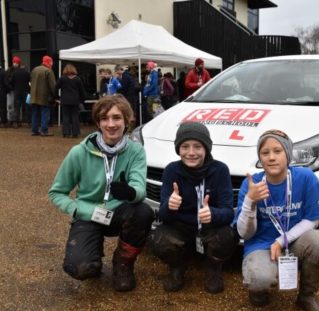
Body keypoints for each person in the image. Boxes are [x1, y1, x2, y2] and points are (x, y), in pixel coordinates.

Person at [48, 95, 154, 292]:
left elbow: (140, 191)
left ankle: (123, 263)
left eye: (117, 118)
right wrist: (76, 209)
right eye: (104, 118)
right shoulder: (79, 152)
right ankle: (92, 252)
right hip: (88, 214)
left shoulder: (136, 151)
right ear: (98, 122)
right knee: (80, 268)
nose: (111, 124)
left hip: (118, 212)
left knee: (143, 212)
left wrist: (130, 193)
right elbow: (57, 192)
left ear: (127, 120)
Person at [235, 129, 319, 311]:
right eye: (265, 153)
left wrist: (282, 241)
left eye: (277, 151)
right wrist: (250, 201)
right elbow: (244, 233)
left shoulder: (305, 177)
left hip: (294, 243)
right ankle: (259, 289)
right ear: (260, 158)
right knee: (259, 279)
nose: (271, 157)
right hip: (260, 246)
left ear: (288, 155)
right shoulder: (252, 184)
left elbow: (312, 218)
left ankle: (307, 296)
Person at [149, 121, 238, 294]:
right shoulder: (171, 171)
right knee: (157, 238)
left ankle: (213, 268)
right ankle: (177, 266)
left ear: (206, 149)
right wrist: (170, 206)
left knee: (228, 236)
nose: (191, 152)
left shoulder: (220, 170)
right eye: (185, 146)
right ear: (178, 149)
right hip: (180, 228)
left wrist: (213, 213)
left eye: (197, 146)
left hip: (209, 227)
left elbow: (228, 213)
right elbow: (163, 216)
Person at [55, 63, 86, 138]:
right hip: (75, 100)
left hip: (65, 100)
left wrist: (57, 97)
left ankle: (66, 132)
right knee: (75, 116)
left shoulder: (62, 78)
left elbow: (55, 88)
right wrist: (82, 100)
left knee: (66, 116)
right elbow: (82, 91)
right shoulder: (77, 79)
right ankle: (75, 133)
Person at [30, 55, 56, 136]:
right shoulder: (48, 71)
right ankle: (44, 130)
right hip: (44, 97)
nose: (52, 64)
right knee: (45, 113)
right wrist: (55, 96)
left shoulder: (34, 69)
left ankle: (34, 130)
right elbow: (53, 86)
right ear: (49, 62)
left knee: (35, 113)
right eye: (51, 62)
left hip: (34, 96)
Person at [9, 56, 30, 128]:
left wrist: (13, 87)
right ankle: (29, 122)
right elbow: (30, 81)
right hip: (26, 92)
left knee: (17, 107)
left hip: (17, 92)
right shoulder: (26, 72)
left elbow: (11, 82)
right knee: (27, 106)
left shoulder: (14, 73)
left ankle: (16, 123)